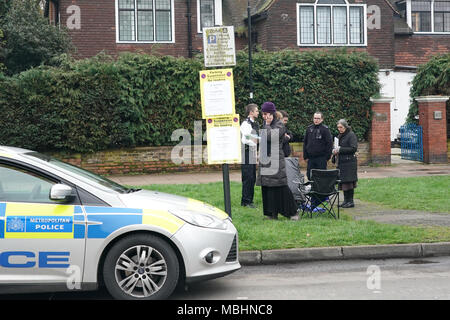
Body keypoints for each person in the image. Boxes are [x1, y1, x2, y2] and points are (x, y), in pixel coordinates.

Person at [257, 101, 298, 220]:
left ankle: (292, 212)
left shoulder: (280, 125)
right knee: (267, 188)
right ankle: (271, 214)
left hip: (276, 160)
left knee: (280, 186)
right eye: (263, 114)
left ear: (272, 113)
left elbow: (271, 137)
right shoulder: (265, 124)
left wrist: (268, 125)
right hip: (265, 159)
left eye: (267, 114)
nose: (265, 116)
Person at [333, 119, 358, 208]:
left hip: (349, 163)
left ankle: (350, 201)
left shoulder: (351, 135)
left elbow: (353, 148)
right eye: (338, 127)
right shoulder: (340, 135)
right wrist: (335, 151)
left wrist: (340, 149)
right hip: (342, 162)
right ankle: (345, 201)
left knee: (349, 182)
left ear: (345, 126)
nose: (339, 129)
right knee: (343, 182)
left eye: (341, 127)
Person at [303, 111, 333, 181]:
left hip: (321, 158)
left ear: (322, 119)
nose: (316, 120)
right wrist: (305, 156)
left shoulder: (325, 129)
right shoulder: (309, 128)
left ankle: (321, 191)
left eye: (318, 118)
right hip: (311, 158)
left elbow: (329, 144)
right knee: (310, 176)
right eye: (315, 118)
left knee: (321, 177)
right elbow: (305, 142)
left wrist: (327, 157)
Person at [240, 103, 260, 208]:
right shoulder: (245, 124)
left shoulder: (255, 123)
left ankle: (250, 200)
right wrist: (255, 142)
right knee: (248, 177)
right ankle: (245, 201)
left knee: (252, 177)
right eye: (256, 111)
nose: (258, 112)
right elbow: (245, 139)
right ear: (251, 112)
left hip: (252, 152)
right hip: (246, 152)